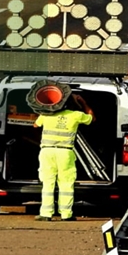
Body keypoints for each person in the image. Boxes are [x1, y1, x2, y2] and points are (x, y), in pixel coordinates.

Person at [33, 92, 93, 221]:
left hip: (47, 152)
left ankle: (46, 213)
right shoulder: (76, 115)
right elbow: (92, 118)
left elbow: (35, 125)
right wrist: (83, 102)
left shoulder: (46, 114)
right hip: (65, 153)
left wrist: (47, 109)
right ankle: (66, 214)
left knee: (48, 183)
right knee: (66, 184)